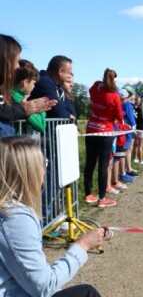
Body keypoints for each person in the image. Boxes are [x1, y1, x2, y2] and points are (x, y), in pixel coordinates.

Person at [0, 136, 111, 297]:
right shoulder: (16, 218)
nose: (45, 169)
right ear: (28, 172)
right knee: (87, 293)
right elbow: (44, 287)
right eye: (43, 163)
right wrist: (83, 245)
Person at [0, 34, 56, 134]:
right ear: (4, 59)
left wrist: (24, 108)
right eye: (16, 61)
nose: (17, 66)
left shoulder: (4, 91)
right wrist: (23, 110)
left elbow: (4, 108)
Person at [83, 68, 123, 208]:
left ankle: (88, 194)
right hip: (105, 132)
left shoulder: (95, 88)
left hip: (91, 130)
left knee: (90, 163)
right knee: (103, 166)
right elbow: (119, 116)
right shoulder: (114, 96)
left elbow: (92, 88)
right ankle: (101, 199)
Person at [11, 60, 46, 132]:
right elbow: (41, 126)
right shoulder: (18, 99)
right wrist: (42, 110)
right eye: (34, 83)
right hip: (16, 141)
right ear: (25, 82)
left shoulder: (9, 93)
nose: (34, 86)